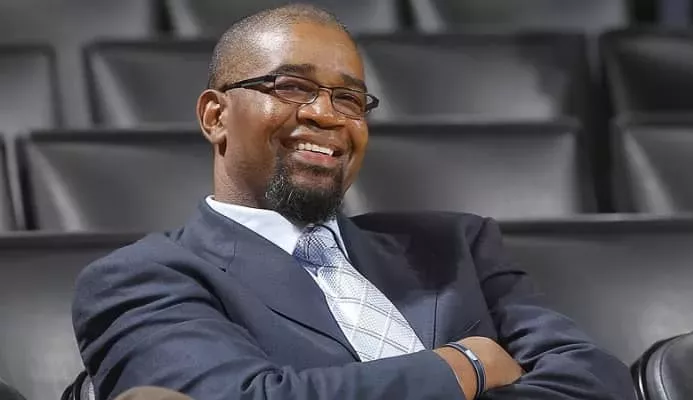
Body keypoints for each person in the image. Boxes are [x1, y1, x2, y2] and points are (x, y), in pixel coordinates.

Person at [72, 4, 636, 400]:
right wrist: (465, 364)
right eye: (291, 87)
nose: (326, 114)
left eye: (349, 98)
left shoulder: (456, 245)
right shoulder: (143, 278)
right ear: (215, 116)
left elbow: (594, 378)